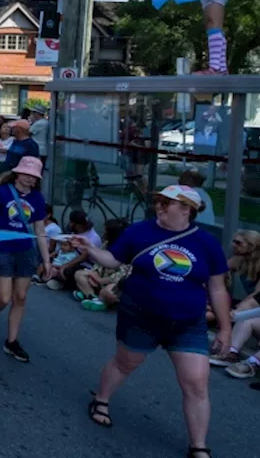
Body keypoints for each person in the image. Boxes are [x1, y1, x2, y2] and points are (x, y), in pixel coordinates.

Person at [71, 185, 229, 458]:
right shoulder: (139, 231)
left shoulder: (207, 244)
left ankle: (199, 447)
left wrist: (226, 328)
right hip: (141, 316)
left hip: (187, 324)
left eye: (167, 203)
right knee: (126, 363)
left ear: (186, 209)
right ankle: (101, 399)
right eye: (159, 201)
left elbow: (217, 289)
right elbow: (112, 260)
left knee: (196, 383)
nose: (160, 206)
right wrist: (90, 250)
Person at [0, 157, 56, 363]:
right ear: (18, 173)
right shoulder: (2, 192)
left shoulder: (37, 198)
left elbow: (39, 230)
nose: (30, 179)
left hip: (26, 251)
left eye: (34, 176)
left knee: (21, 297)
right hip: (2, 248)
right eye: (27, 174)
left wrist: (46, 260)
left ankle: (12, 341)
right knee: (3, 298)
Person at [225, 229, 260, 301]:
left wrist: (237, 308)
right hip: (254, 303)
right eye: (233, 241)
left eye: (238, 243)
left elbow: (259, 294)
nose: (234, 245)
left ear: (251, 246)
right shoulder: (239, 259)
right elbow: (217, 272)